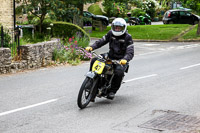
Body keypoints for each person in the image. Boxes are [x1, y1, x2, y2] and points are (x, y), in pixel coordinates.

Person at [85, 18, 134, 99]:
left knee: (119, 72)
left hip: (121, 60)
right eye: (116, 27)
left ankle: (112, 91)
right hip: (110, 56)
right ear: (113, 27)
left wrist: (125, 59)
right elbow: (101, 41)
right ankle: (90, 81)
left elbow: (130, 51)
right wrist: (92, 47)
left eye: (119, 28)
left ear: (123, 28)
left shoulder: (128, 37)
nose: (117, 29)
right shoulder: (110, 33)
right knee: (94, 60)